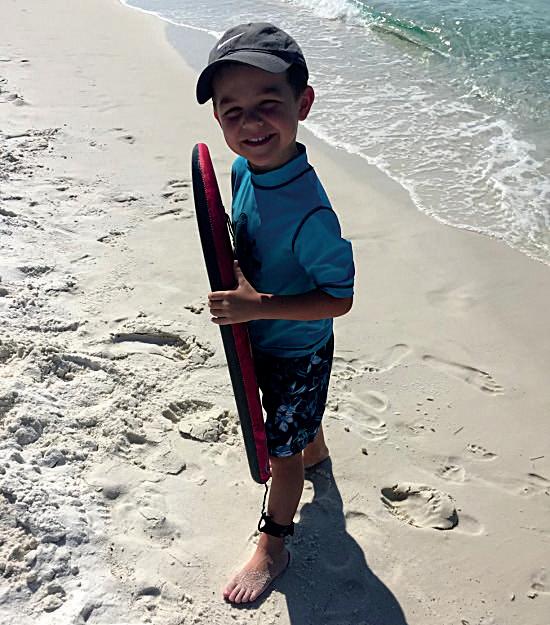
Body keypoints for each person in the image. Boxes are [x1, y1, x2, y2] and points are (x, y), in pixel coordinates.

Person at [196, 22, 355, 604]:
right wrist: (242, 281)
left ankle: (273, 545)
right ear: (218, 118)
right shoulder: (244, 169)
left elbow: (340, 297)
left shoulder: (311, 214)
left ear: (302, 103)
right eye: (232, 111)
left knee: (280, 455)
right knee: (298, 424)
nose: (251, 124)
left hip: (296, 348)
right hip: (261, 335)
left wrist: (254, 304)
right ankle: (318, 450)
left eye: (268, 104)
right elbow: (244, 240)